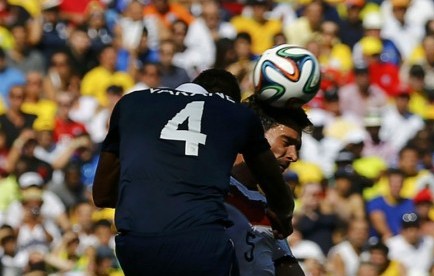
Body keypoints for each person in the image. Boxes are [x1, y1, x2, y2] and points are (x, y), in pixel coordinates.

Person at [92, 69, 295, 275]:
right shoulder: (236, 114)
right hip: (200, 244)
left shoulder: (131, 103)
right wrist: (284, 217)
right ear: (229, 99)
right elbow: (279, 196)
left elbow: (102, 195)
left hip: (135, 246)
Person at [226, 95, 313, 276]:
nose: (293, 156)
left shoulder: (271, 208)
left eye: (297, 148)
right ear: (254, 133)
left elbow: (288, 268)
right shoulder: (211, 189)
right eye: (286, 143)